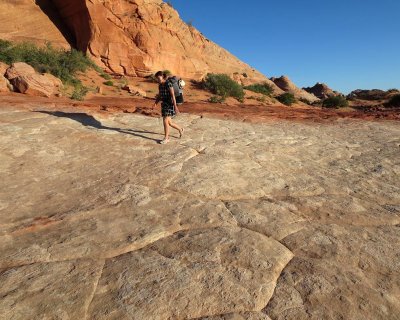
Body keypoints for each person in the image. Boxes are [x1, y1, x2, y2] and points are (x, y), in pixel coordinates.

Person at [153, 71, 184, 144]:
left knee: (165, 120)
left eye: (158, 78)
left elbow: (173, 95)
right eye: (157, 78)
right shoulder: (160, 85)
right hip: (164, 104)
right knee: (169, 122)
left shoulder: (168, 84)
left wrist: (175, 106)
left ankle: (166, 138)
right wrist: (155, 103)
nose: (158, 80)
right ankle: (180, 129)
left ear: (162, 76)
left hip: (170, 104)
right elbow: (159, 95)